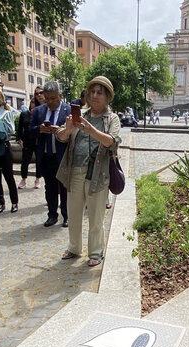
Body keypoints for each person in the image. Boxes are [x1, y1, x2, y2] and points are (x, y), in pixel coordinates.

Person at [55, 76, 122, 267]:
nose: (94, 95)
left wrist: (91, 129)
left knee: (96, 216)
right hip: (75, 171)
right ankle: (74, 248)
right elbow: (60, 136)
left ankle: (95, 252)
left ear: (107, 96)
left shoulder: (111, 118)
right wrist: (67, 130)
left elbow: (112, 141)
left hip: (98, 174)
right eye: (92, 91)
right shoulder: (79, 115)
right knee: (74, 213)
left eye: (99, 92)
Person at [29, 81, 70, 227]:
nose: (50, 102)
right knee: (50, 187)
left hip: (63, 156)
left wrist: (61, 130)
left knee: (65, 188)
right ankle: (52, 215)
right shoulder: (39, 111)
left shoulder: (68, 110)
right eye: (47, 98)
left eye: (53, 98)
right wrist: (39, 129)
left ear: (60, 96)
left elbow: (75, 133)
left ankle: (66, 216)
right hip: (46, 156)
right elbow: (29, 130)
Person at [18, 86, 44, 189]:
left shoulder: (41, 111)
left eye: (40, 93)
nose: (39, 96)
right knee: (25, 161)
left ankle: (37, 179)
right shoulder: (25, 114)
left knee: (39, 162)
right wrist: (19, 139)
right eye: (36, 94)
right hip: (27, 141)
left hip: (38, 140)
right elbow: (20, 128)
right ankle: (23, 179)